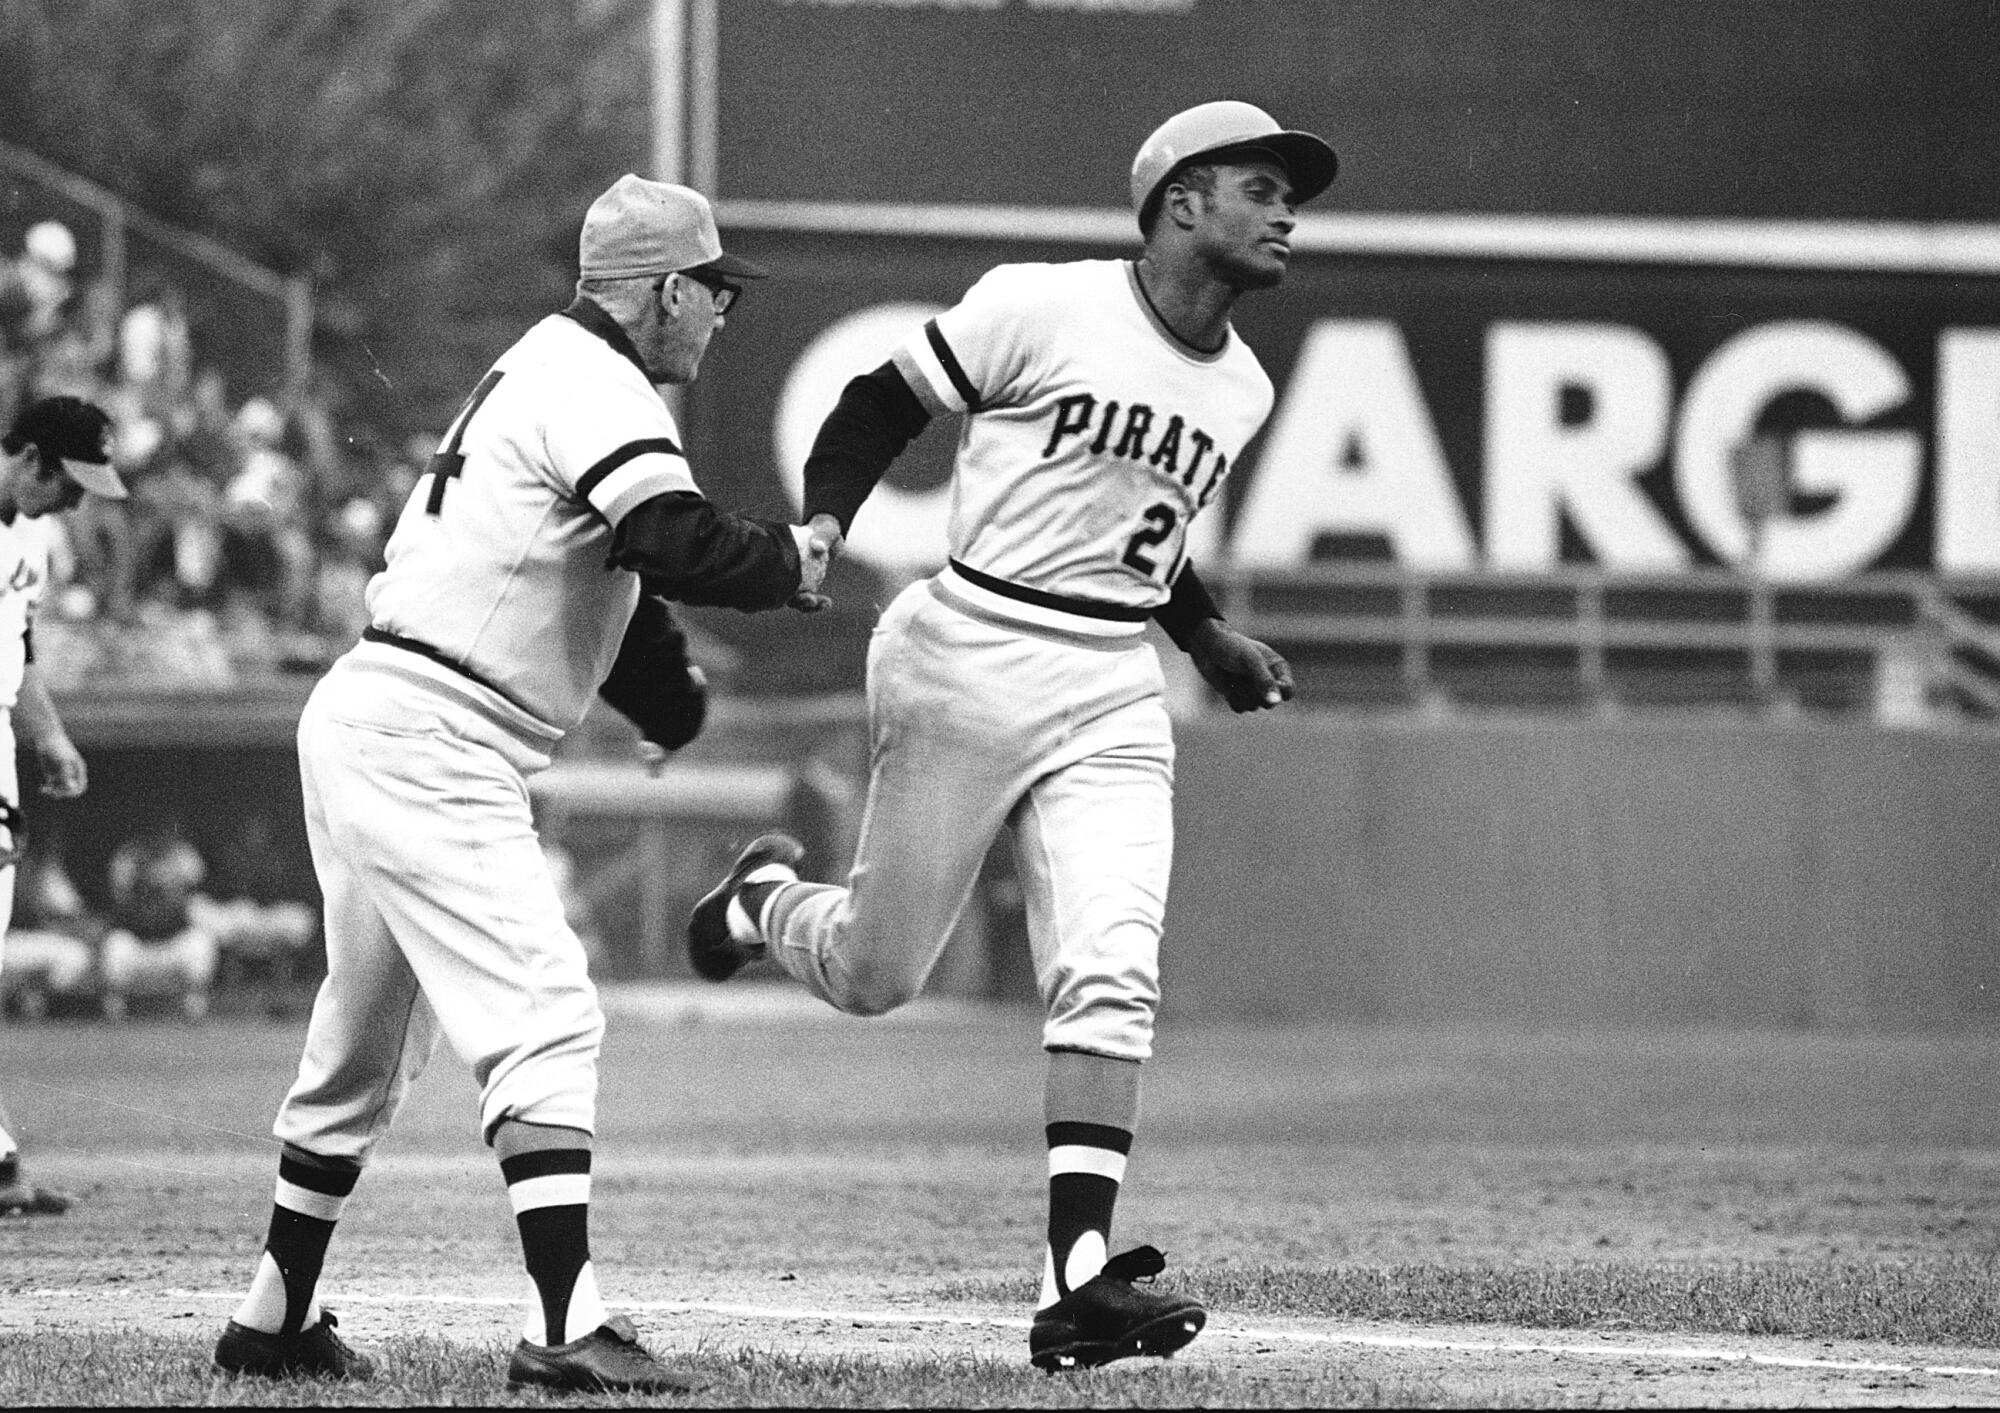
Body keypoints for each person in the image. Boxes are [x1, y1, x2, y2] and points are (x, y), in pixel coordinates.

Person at [685, 100, 1335, 1372]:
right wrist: (821, 525)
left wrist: (1200, 635)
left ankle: (1074, 1283)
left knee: (1110, 962)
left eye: (1287, 194)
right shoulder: (1044, 305)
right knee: (878, 977)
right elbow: (882, 398)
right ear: (1180, 201)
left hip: (1110, 680)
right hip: (969, 648)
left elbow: (1142, 530)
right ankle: (767, 905)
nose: (1284, 212)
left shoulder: (1243, 387)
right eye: (1257, 187)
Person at [211, 174, 834, 1393]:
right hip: (432, 733)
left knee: (362, 1049)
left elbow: (612, 569)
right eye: (714, 293)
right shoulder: (600, 385)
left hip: (379, 713)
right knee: (548, 1014)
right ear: (662, 292)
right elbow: (670, 540)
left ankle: (271, 1321)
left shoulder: (546, 368)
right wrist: (785, 564)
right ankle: (567, 1326)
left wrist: (667, 701)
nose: (721, 315)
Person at [0, 393, 126, 1214]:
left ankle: (2, 1163)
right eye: (70, 482)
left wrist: (51, 737)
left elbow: (19, 654)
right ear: (32, 458)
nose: (78, 501)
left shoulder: (33, 537)